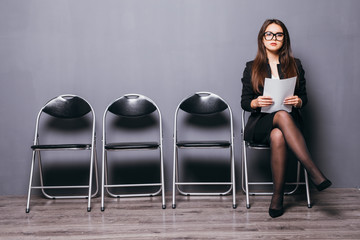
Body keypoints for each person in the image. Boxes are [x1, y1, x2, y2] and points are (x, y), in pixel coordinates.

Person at [241, 19, 332, 218]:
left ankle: (277, 198)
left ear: (285, 39)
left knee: (278, 135)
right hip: (260, 124)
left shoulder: (295, 65)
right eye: (269, 34)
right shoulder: (251, 67)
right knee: (279, 117)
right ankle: (313, 170)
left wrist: (298, 101)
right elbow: (245, 101)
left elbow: (304, 98)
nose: (274, 38)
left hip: (289, 126)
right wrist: (256, 103)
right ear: (262, 38)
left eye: (279, 34)